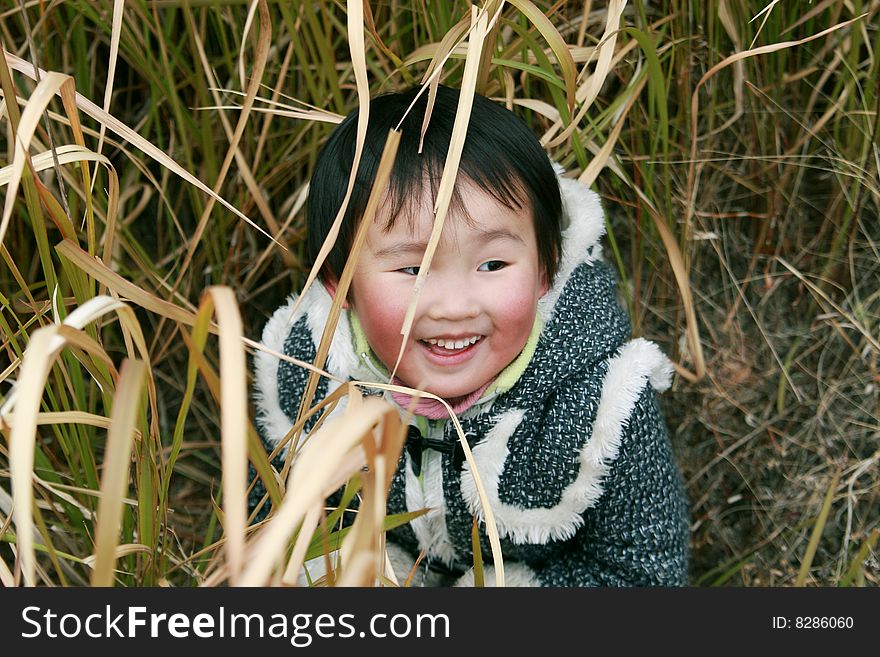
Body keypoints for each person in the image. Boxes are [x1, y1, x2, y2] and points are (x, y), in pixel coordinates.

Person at [250, 85, 690, 586]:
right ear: (340, 285)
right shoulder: (310, 371)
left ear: (546, 270)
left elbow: (644, 571)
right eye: (412, 268)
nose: (456, 306)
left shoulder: (601, 403)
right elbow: (267, 515)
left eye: (493, 263)